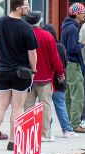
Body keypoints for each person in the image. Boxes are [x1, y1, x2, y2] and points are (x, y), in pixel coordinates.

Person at [0, 0, 37, 151]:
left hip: (3, 70)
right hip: (21, 73)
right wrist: (33, 69)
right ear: (18, 8)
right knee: (17, 107)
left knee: (1, 104)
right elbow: (32, 53)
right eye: (26, 6)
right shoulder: (26, 28)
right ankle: (13, 141)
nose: (28, 9)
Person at [27, 12, 63, 141]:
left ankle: (28, 134)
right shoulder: (47, 36)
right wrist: (60, 73)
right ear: (39, 22)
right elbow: (55, 57)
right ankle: (44, 134)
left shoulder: (24, 35)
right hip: (45, 78)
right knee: (45, 106)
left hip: (28, 79)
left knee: (27, 107)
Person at [43, 23, 76, 138]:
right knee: (60, 105)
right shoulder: (60, 47)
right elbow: (63, 63)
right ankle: (66, 129)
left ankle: (47, 128)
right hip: (59, 80)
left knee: (45, 106)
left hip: (45, 81)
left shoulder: (42, 46)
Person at [60, 3, 85, 133]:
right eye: (83, 12)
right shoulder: (72, 29)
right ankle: (76, 124)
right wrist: (82, 45)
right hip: (72, 64)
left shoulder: (66, 26)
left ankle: (69, 123)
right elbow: (72, 49)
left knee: (68, 95)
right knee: (77, 95)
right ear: (76, 14)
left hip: (67, 64)